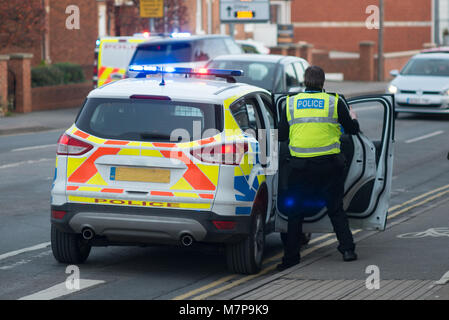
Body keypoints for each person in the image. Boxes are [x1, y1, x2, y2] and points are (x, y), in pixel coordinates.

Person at [276, 65, 359, 271]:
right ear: (323, 82)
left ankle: (291, 259)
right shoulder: (334, 101)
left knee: (295, 213)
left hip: (299, 167)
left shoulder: (290, 103)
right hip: (329, 166)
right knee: (335, 209)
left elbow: (282, 136)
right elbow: (352, 131)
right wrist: (353, 117)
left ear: (305, 81)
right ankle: (347, 250)